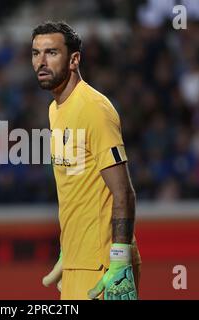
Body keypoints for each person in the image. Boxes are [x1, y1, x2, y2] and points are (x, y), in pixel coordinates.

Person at [31, 21, 141, 300]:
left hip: (105, 267)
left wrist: (119, 260)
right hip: (78, 263)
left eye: (51, 53)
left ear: (74, 59)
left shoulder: (94, 109)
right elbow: (77, 187)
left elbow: (123, 192)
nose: (41, 62)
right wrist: (68, 249)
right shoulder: (55, 111)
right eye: (35, 53)